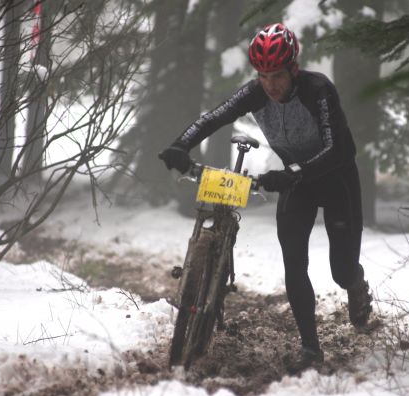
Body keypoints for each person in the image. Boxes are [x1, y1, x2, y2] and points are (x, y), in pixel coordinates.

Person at [159, 23, 372, 370]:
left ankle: (356, 283)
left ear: (293, 69)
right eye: (263, 76)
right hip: (296, 182)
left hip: (337, 180)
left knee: (341, 271)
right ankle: (311, 350)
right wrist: (180, 144)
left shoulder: (317, 90)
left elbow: (339, 149)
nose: (270, 85)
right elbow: (214, 117)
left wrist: (295, 172)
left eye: (276, 76)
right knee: (293, 262)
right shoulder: (256, 92)